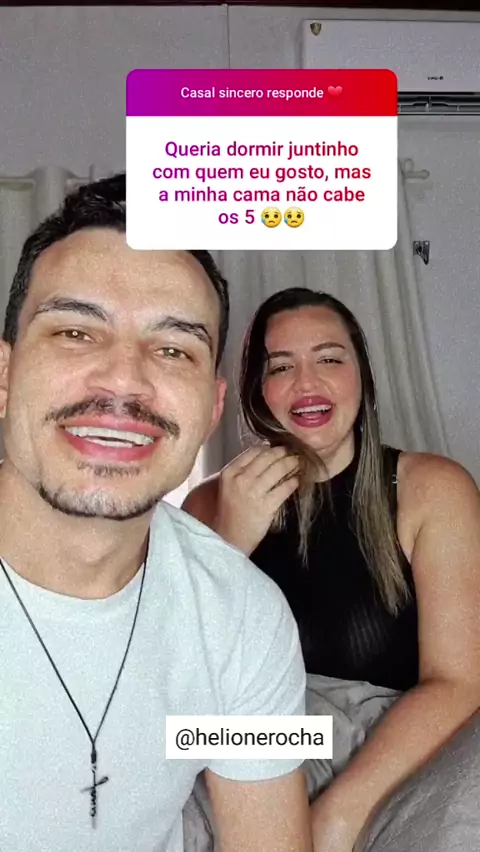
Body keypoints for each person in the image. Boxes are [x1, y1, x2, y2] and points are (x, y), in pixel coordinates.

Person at [0, 177, 313, 852]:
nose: (124, 380)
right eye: (76, 332)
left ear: (212, 407)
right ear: (4, 375)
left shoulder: (248, 617)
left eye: (173, 349)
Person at [183, 286, 480, 852]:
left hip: (406, 745)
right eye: (280, 366)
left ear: (362, 376)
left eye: (329, 358)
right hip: (265, 740)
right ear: (257, 390)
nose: (306, 383)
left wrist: (335, 819)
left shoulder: (434, 489)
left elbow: (459, 683)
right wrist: (230, 546)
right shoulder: (208, 503)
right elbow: (178, 681)